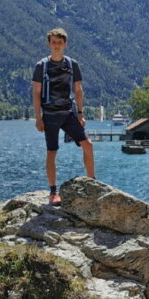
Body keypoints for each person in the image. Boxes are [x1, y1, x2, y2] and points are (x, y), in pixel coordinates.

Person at [32, 28, 95, 204]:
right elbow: (36, 93)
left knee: (87, 145)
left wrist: (80, 114)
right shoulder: (41, 66)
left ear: (65, 44)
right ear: (49, 44)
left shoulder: (72, 64)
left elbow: (78, 89)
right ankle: (53, 192)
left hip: (68, 113)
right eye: (53, 42)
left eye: (60, 43)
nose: (57, 46)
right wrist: (38, 117)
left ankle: (92, 184)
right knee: (52, 151)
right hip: (50, 115)